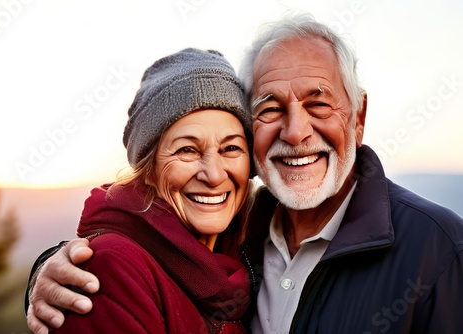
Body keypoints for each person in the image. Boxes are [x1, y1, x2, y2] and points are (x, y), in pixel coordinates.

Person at [27, 12, 463, 333]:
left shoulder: (440, 251)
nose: (295, 132)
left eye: (318, 103)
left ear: (358, 116)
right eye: (270, 109)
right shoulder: (245, 238)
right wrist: (52, 269)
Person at [27, 47, 259, 333]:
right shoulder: (111, 268)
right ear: (148, 170)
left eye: (231, 148)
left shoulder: (251, 253)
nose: (213, 174)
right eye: (186, 150)